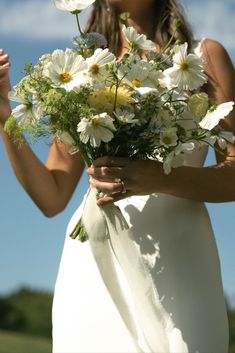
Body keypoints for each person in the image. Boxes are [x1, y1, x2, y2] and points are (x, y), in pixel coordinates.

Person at [0, 0, 235, 352]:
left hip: (177, 259)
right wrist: (4, 111)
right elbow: (52, 195)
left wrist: (159, 177)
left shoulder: (205, 56)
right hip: (94, 258)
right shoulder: (82, 71)